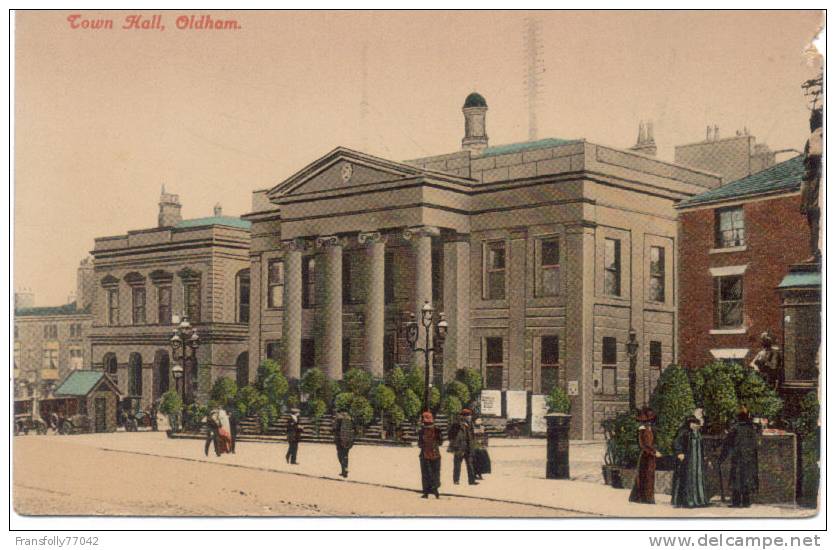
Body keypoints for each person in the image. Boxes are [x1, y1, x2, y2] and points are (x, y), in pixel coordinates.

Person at [720, 407, 760, 508]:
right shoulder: (752, 428)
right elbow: (756, 444)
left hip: (737, 457)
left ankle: (736, 502)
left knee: (736, 479)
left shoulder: (735, 428)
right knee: (747, 478)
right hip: (749, 457)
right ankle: (746, 502)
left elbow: (727, 442)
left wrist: (722, 457)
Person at [671, 415, 709, 508]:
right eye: (693, 423)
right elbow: (676, 442)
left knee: (698, 478)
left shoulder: (698, 433)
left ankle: (700, 500)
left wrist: (704, 456)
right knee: (688, 478)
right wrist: (679, 452)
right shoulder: (683, 432)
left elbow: (702, 446)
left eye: (696, 424)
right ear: (689, 423)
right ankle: (688, 501)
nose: (695, 425)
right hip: (688, 460)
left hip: (698, 460)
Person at [629, 407, 662, 504]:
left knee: (646, 476)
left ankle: (642, 498)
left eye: (650, 420)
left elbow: (651, 443)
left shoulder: (649, 429)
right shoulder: (643, 430)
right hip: (645, 456)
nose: (649, 422)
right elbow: (644, 445)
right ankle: (645, 499)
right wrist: (654, 452)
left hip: (649, 456)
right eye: (647, 421)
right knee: (645, 476)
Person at [450, 409, 477, 485]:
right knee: (457, 464)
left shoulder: (470, 424)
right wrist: (455, 444)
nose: (470, 417)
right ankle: (456, 480)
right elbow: (451, 435)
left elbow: (472, 435)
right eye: (468, 415)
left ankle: (471, 481)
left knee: (470, 464)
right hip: (459, 447)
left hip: (468, 447)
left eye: (470, 415)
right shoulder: (457, 424)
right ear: (463, 416)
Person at [334, 410, 355, 478]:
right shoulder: (350, 418)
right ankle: (345, 468)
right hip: (348, 440)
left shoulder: (338, 418)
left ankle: (344, 468)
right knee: (346, 455)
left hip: (339, 439)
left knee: (340, 455)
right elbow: (354, 429)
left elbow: (334, 428)